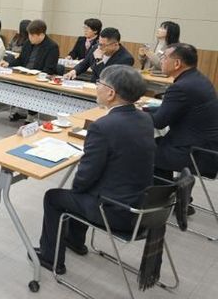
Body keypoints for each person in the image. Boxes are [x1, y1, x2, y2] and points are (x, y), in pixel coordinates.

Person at [36, 65, 155, 274]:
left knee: (54, 197)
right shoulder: (145, 118)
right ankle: (75, 241)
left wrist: (78, 189)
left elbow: (85, 177)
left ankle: (50, 258)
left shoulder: (103, 126)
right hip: (142, 206)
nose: (96, 86)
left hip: (116, 211)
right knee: (85, 190)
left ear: (111, 93)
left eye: (99, 83)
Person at [145, 43, 218, 181]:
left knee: (143, 148)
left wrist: (133, 113)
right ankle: (166, 188)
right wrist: (145, 109)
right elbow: (172, 110)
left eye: (164, 58)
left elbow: (159, 122)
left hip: (195, 153)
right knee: (153, 143)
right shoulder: (198, 78)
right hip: (206, 147)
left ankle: (162, 190)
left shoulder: (181, 87)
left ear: (177, 63)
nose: (161, 61)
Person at [64, 27, 134, 83]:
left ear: (115, 45)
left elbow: (108, 79)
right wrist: (74, 71)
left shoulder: (126, 59)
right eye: (99, 43)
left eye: (103, 45)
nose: (100, 47)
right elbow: (84, 64)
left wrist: (99, 60)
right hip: (92, 86)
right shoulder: (96, 47)